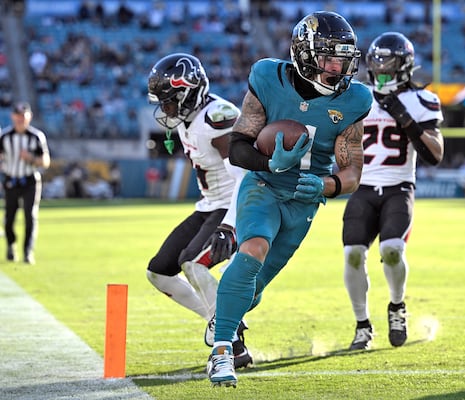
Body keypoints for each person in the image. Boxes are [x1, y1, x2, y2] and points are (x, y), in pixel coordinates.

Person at [206, 11, 372, 387]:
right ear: (304, 54)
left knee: (254, 287)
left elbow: (352, 174)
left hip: (304, 199)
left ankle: (225, 317)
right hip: (263, 184)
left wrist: (326, 186)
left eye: (344, 58)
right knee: (253, 249)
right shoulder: (268, 77)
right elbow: (237, 147)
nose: (339, 67)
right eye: (330, 57)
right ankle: (220, 351)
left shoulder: (355, 100)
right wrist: (269, 161)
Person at [145, 53, 252, 369]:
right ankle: (217, 320)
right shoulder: (185, 119)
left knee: (193, 263)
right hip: (208, 205)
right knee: (158, 272)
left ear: (188, 92)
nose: (165, 109)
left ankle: (233, 343)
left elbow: (244, 177)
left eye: (168, 100)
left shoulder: (216, 117)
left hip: (233, 204)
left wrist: (232, 225)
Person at [342, 32, 444, 350]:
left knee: (392, 250)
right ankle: (362, 325)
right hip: (364, 187)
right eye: (376, 61)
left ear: (405, 65)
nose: (381, 68)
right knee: (353, 255)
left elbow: (435, 155)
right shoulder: (358, 97)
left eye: (388, 62)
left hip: (399, 187)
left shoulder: (422, 100)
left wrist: (403, 116)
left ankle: (397, 306)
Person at [0, 101, 51, 264]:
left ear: (29, 117)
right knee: (9, 218)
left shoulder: (36, 136)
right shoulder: (5, 137)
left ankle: (28, 252)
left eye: (23, 116)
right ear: (12, 116)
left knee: (30, 215)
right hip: (11, 180)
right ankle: (11, 245)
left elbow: (45, 161)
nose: (20, 119)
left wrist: (31, 158)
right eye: (18, 115)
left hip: (30, 180)